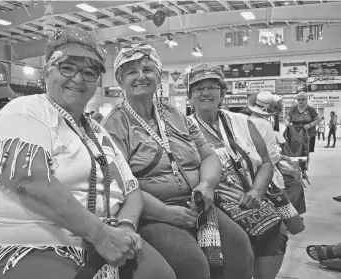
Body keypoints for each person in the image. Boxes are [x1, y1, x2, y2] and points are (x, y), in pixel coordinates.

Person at [0, 28, 175, 279]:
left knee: (161, 273)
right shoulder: (25, 110)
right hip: (18, 244)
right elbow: (30, 182)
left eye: (89, 72)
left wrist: (125, 226)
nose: (78, 78)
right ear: (47, 72)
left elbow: (131, 189)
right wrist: (100, 234)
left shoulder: (96, 130)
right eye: (67, 67)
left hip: (92, 237)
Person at [102, 44, 253, 279]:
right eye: (131, 72)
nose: (141, 76)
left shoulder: (175, 115)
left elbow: (210, 156)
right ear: (120, 81)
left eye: (148, 70)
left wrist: (207, 185)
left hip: (197, 204)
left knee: (239, 248)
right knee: (191, 264)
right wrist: (165, 212)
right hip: (152, 212)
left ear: (158, 77)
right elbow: (121, 183)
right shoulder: (115, 124)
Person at [186, 63, 287, 279]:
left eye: (212, 86)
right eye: (198, 88)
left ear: (222, 92)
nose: (205, 92)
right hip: (212, 202)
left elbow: (267, 163)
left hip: (250, 196)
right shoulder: (183, 128)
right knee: (231, 242)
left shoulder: (242, 122)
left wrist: (257, 191)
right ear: (189, 96)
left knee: (275, 231)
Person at [247, 92, 306, 214]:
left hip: (247, 164)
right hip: (261, 167)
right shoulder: (266, 124)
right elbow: (272, 156)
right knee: (295, 183)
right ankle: (287, 215)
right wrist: (283, 157)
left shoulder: (246, 120)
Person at [284, 92, 320, 173]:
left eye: (303, 99)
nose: (300, 101)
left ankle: (304, 170)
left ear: (306, 100)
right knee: (294, 151)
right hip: (294, 134)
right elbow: (287, 119)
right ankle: (295, 168)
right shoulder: (294, 109)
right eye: (299, 99)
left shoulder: (310, 109)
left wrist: (310, 125)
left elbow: (318, 120)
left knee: (306, 152)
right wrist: (287, 123)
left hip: (308, 134)